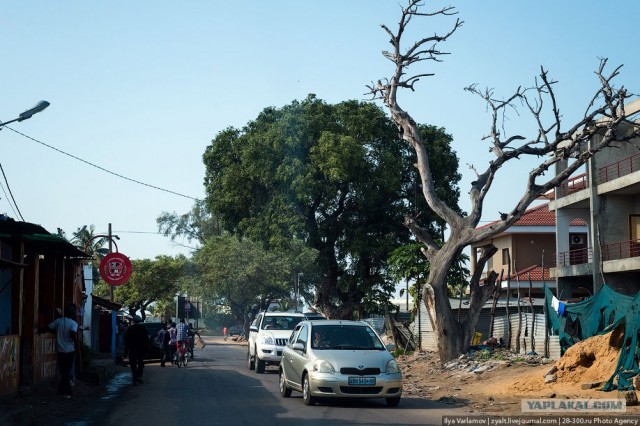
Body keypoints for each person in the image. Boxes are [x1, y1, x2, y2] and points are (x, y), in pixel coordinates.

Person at [48, 305, 78, 398]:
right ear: (72, 314)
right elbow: (73, 332)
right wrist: (76, 342)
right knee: (66, 372)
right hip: (69, 351)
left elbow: (49, 327)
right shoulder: (73, 323)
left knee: (64, 371)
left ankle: (61, 391)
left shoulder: (58, 321)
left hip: (60, 351)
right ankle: (67, 391)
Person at [124, 315, 149, 385]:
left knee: (133, 365)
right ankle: (139, 376)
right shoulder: (143, 329)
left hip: (132, 349)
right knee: (140, 363)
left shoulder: (129, 329)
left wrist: (126, 349)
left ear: (133, 321)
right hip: (141, 349)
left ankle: (134, 379)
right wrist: (146, 350)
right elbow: (146, 340)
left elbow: (126, 340)